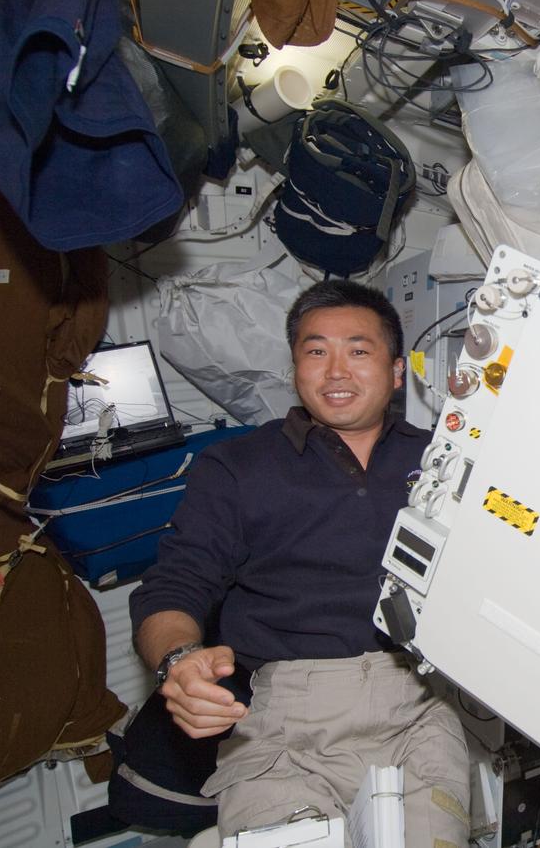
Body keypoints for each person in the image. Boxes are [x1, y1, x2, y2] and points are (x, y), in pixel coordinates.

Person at [130, 281, 469, 847]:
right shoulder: (237, 466)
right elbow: (174, 584)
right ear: (295, 370)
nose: (335, 371)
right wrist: (179, 661)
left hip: (419, 710)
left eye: (358, 351)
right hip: (283, 730)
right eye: (316, 352)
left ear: (394, 371)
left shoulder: (442, 459)